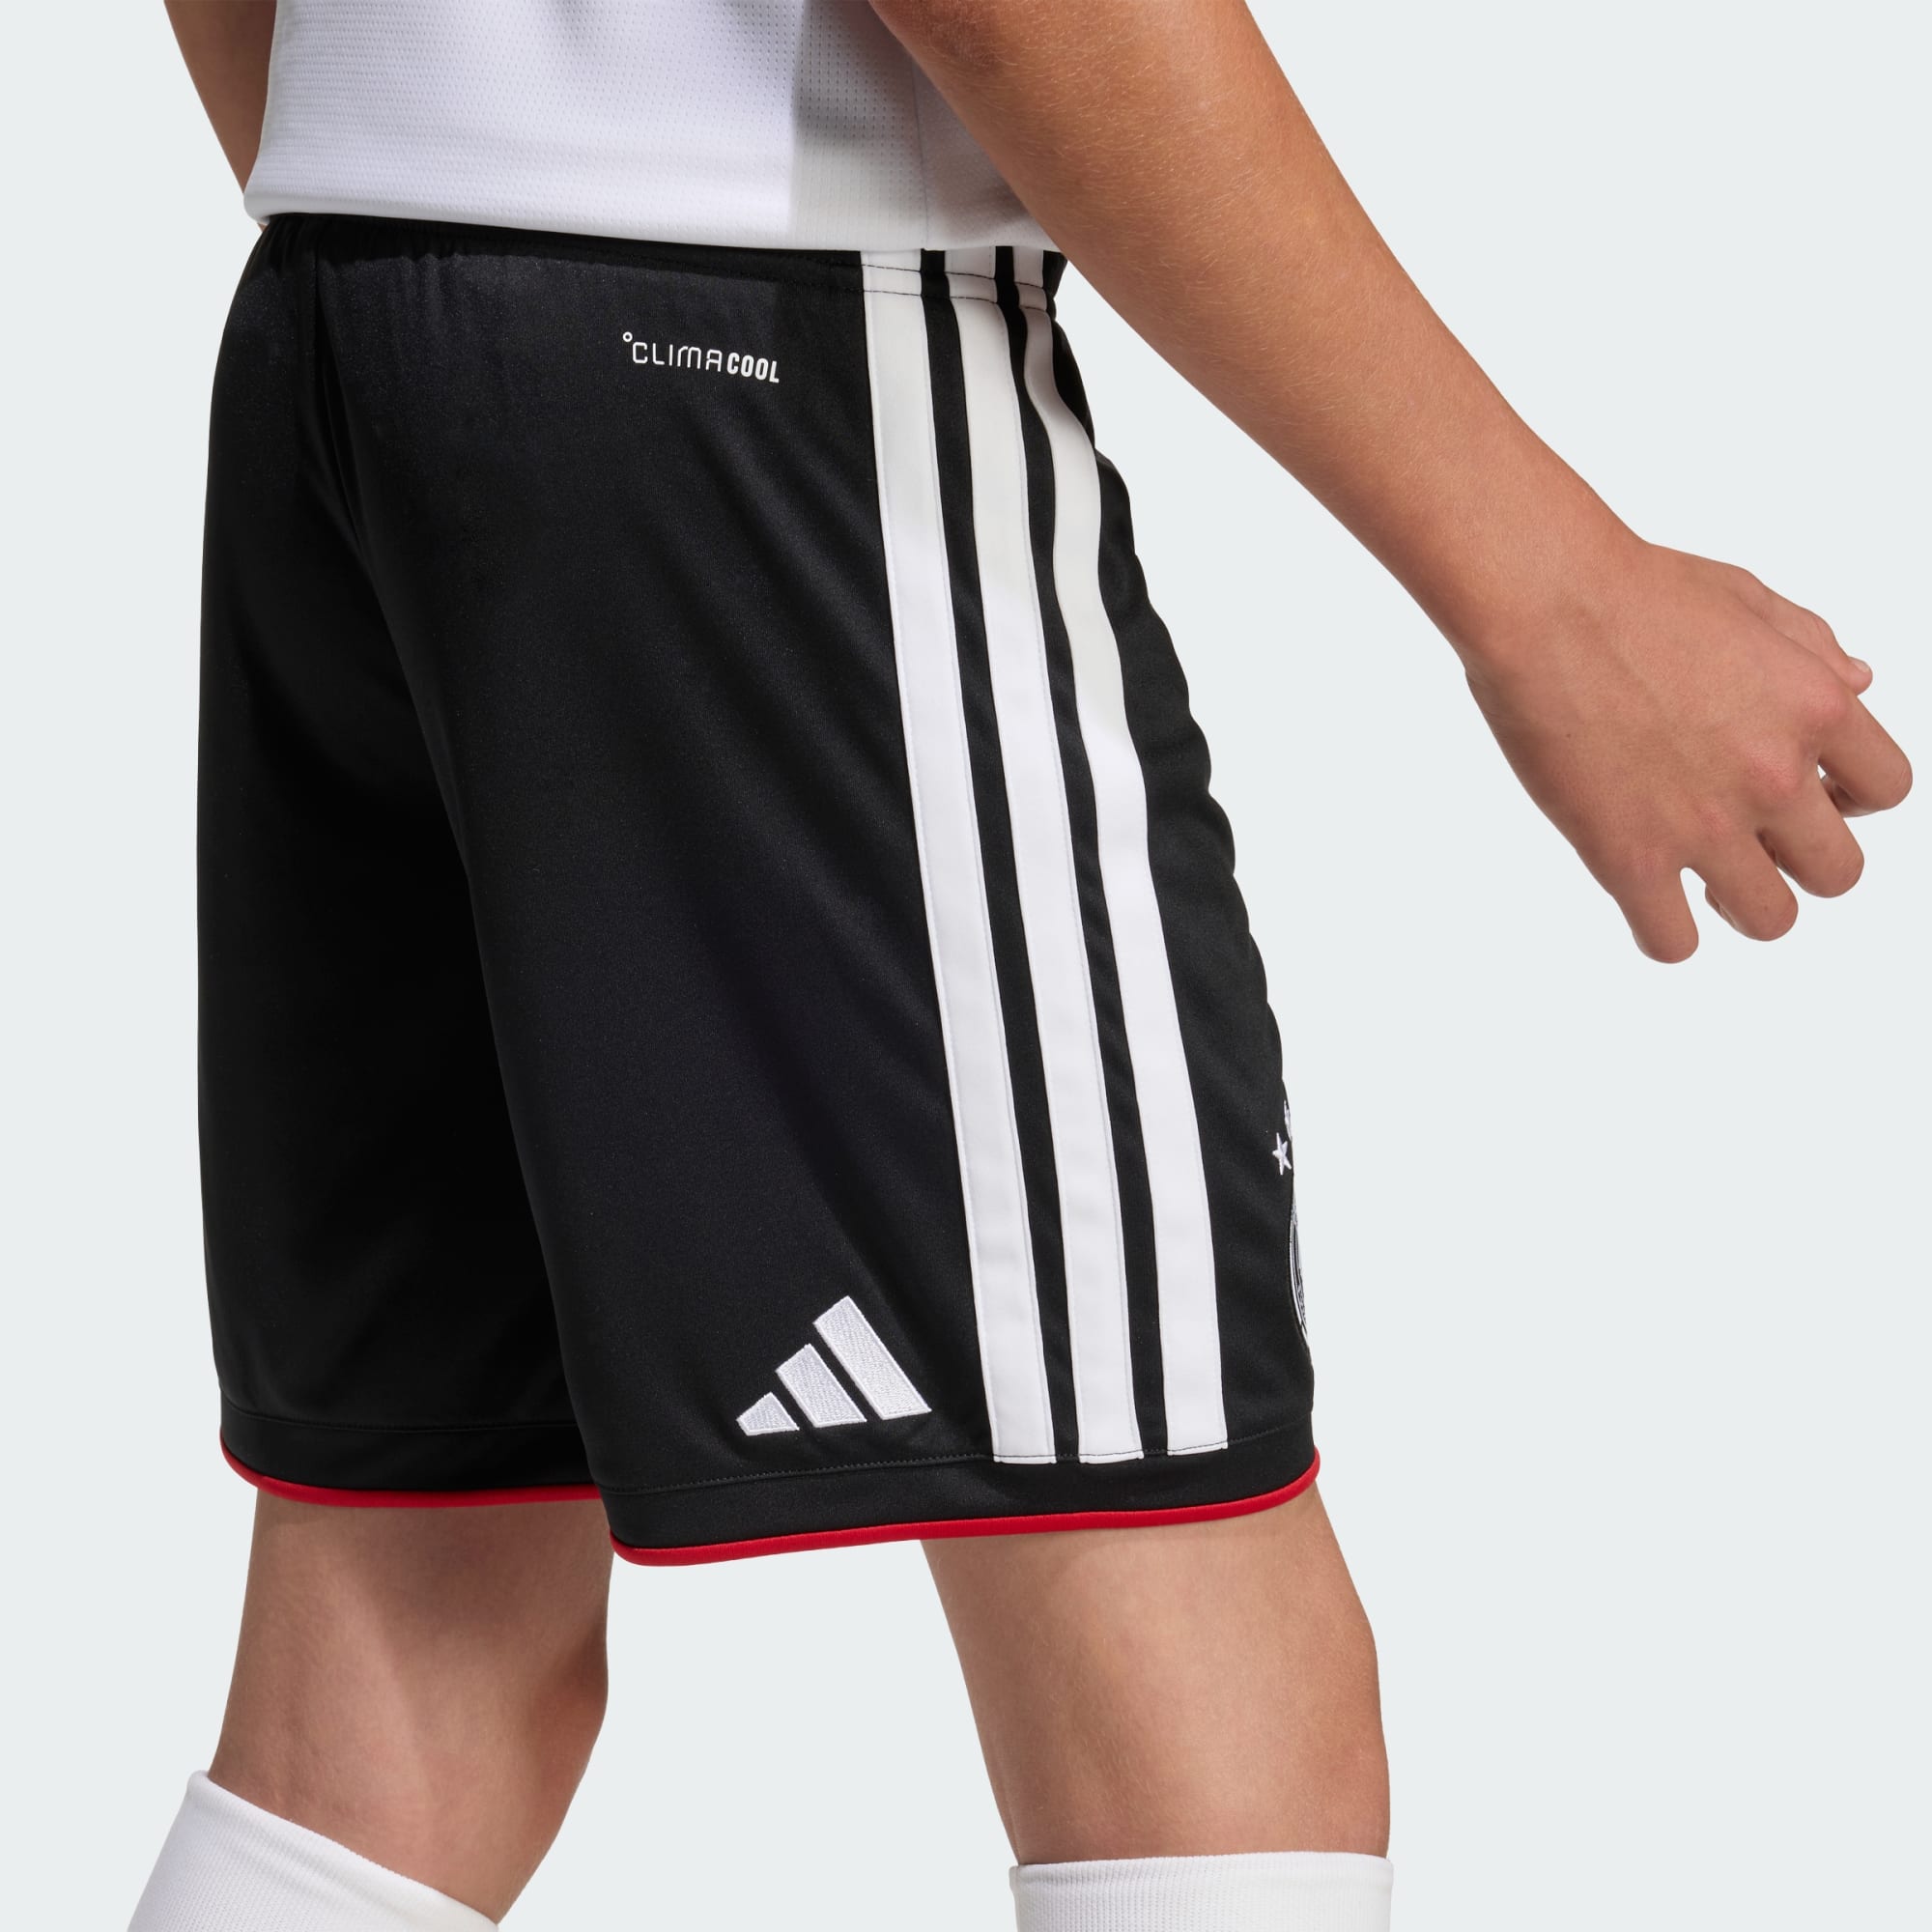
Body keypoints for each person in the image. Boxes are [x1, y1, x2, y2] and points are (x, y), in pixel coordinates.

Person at [135, 4, 1911, 1930]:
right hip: (768, 355)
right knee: (1177, 1643)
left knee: (404, 1658)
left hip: (357, 321)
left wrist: (433, 209)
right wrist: (1550, 589)